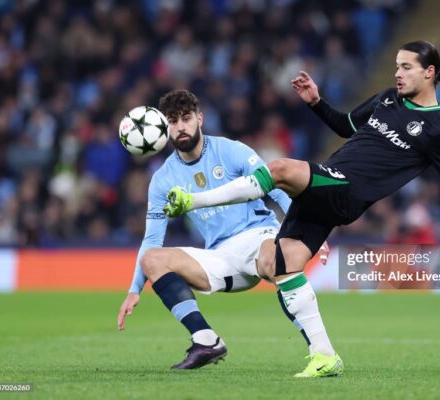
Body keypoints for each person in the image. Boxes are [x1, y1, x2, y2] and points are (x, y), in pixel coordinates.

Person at [164, 40, 440, 369]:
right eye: (397, 66)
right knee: (284, 266)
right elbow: (346, 126)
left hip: (347, 190)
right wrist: (316, 101)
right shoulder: (387, 98)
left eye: (406, 67)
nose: (398, 73)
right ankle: (324, 356)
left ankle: (192, 200)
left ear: (429, 72)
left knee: (279, 169)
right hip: (328, 185)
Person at [117, 89, 335, 375]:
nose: (181, 126)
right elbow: (152, 238)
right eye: (173, 121)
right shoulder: (162, 179)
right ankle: (206, 340)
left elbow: (279, 189)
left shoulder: (230, 150)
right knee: (152, 259)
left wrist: (308, 230)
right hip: (220, 255)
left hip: (259, 236)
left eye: (186, 118)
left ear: (200, 119)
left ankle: (324, 354)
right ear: (164, 127)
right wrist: (134, 290)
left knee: (277, 261)